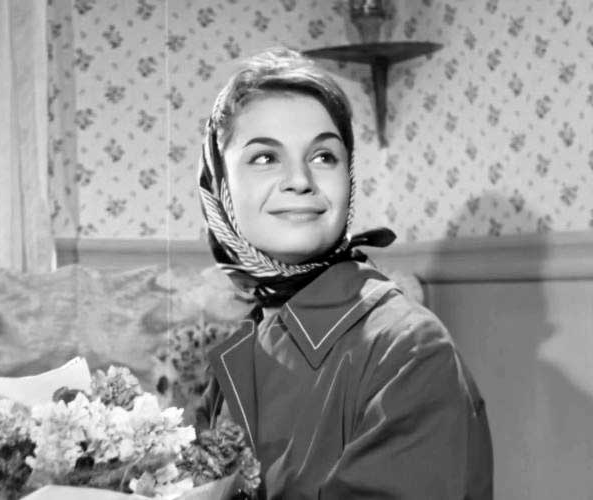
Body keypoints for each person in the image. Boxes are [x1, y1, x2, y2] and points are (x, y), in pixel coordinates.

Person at [194, 48, 493, 499]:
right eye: (265, 158)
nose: (300, 180)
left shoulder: (409, 351)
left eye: (323, 156)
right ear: (220, 185)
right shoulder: (241, 347)